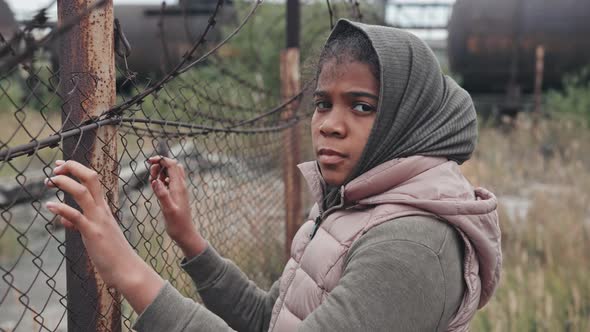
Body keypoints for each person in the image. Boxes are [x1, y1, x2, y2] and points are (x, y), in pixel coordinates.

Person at [44, 19, 501, 331]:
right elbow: (269, 317)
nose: (329, 124)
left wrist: (125, 268)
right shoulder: (356, 205)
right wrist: (189, 240)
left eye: (362, 106)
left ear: (408, 118)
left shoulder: (412, 244)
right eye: (323, 103)